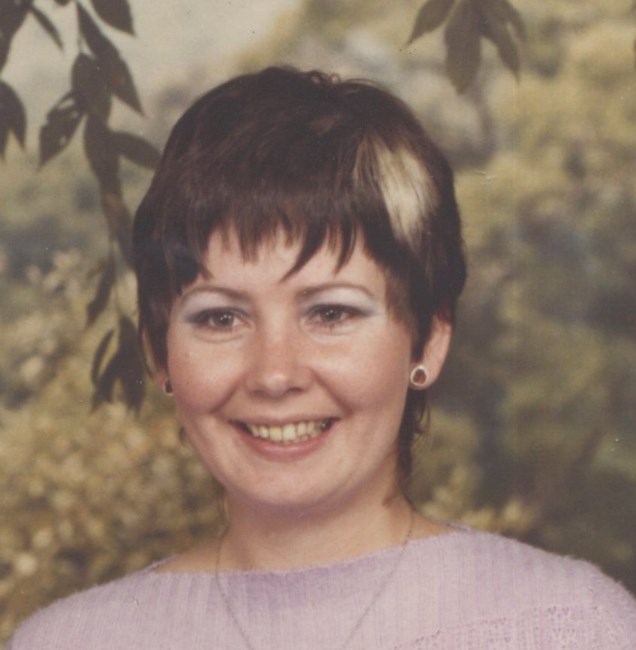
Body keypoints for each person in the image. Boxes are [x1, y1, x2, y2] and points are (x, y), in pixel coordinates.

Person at [8, 66, 636, 649]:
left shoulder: (574, 628)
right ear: (159, 352)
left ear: (428, 340)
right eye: (221, 318)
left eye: (331, 313)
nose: (275, 374)